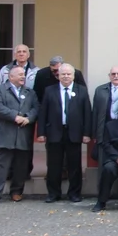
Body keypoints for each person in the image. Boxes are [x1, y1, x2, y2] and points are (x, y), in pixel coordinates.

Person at [37, 63, 92, 203]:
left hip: (74, 133)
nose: (66, 76)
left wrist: (87, 133)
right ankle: (53, 193)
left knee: (74, 165)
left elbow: (87, 113)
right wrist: (41, 132)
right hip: (54, 132)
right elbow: (43, 113)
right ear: (58, 76)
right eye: (63, 74)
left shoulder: (82, 91)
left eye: (69, 74)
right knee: (54, 165)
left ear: (74, 76)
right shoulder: (49, 91)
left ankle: (74, 193)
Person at [0, 67, 39, 205]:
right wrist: (14, 116)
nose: (23, 77)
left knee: (20, 166)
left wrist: (28, 118)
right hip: (5, 134)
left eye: (24, 74)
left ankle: (16, 192)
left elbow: (36, 108)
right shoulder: (0, 90)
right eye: (20, 74)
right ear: (11, 77)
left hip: (23, 134)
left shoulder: (30, 92)